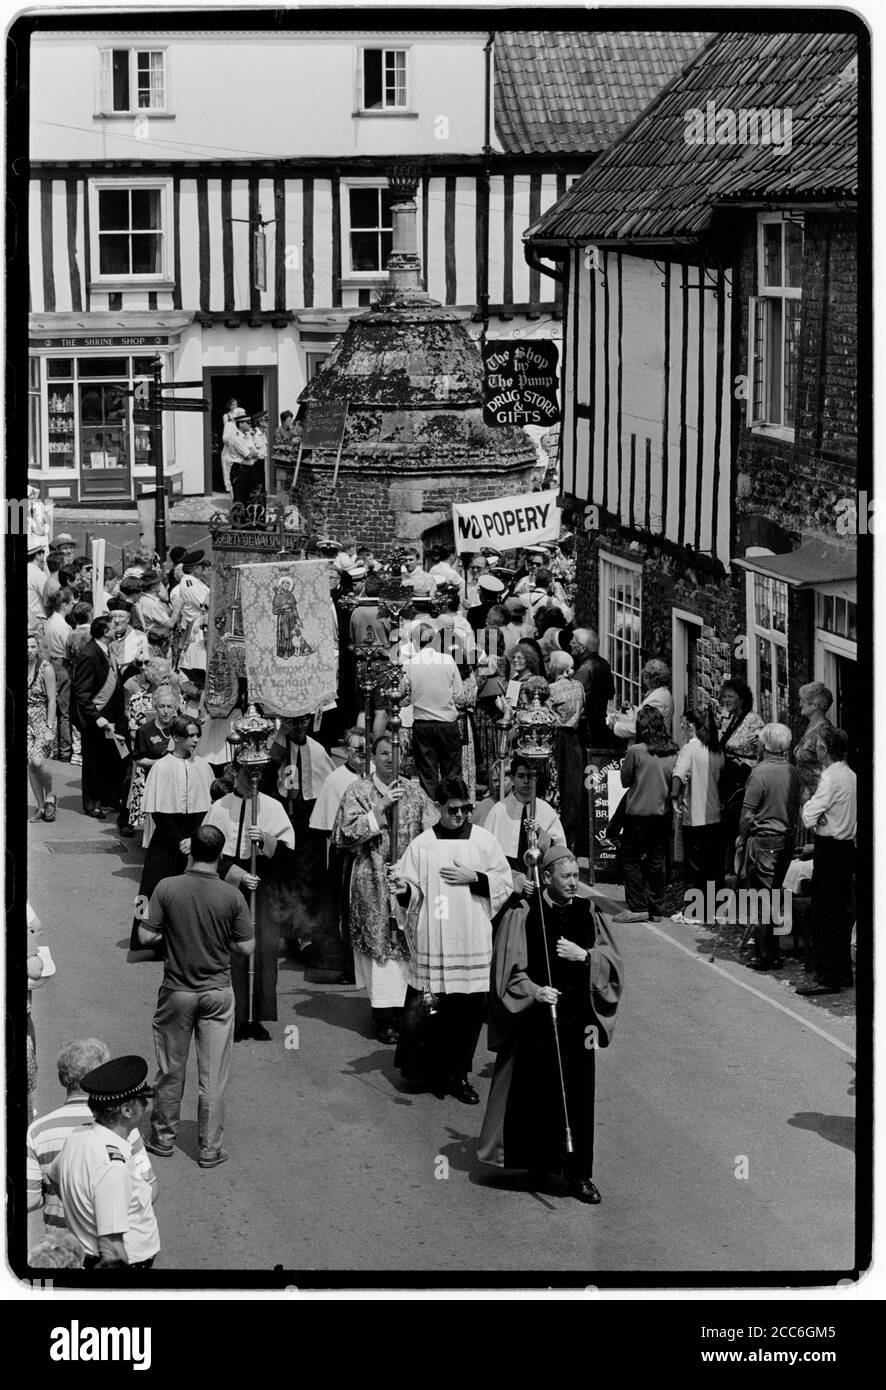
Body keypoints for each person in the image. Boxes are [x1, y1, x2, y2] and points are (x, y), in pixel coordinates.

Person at [478, 844, 624, 1203]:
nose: (575, 883)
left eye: (577, 876)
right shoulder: (525, 913)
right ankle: (538, 1165)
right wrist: (534, 990)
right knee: (536, 1092)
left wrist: (586, 955)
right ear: (546, 878)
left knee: (577, 1096)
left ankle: (578, 1176)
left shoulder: (589, 912)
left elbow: (614, 962)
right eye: (567, 877)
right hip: (537, 1017)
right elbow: (508, 972)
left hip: (578, 1020)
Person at [136, 825, 255, 1168]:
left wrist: (171, 935)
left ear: (191, 852)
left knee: (170, 1069)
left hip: (177, 992)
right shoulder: (231, 896)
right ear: (221, 855)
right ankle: (209, 1148)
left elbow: (145, 936)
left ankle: (162, 1138)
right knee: (212, 1076)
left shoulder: (167, 887)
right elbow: (247, 947)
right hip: (217, 992)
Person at [389, 776, 512, 1102]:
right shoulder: (422, 844)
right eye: (453, 810)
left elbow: (504, 883)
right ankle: (430, 1071)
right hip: (435, 938)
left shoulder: (484, 841)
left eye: (466, 810)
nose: (460, 816)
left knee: (467, 1013)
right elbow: (411, 889)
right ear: (439, 808)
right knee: (433, 1010)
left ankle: (459, 1075)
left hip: (471, 939)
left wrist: (476, 878)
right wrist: (404, 891)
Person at [332, 734, 438, 1042]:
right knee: (382, 949)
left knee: (407, 947)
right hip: (372, 879)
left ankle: (408, 1010)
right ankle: (384, 1016)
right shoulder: (359, 790)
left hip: (408, 882)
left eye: (396, 752)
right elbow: (344, 835)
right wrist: (378, 810)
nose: (390, 759)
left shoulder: (415, 792)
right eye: (383, 753)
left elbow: (432, 832)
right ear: (373, 757)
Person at [202, 758, 296, 1040]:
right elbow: (209, 857)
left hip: (263, 890)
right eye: (245, 772)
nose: (251, 779)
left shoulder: (273, 807)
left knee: (264, 951)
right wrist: (238, 875)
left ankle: (256, 1017)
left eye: (256, 773)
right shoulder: (219, 808)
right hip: (231, 890)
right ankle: (235, 1017)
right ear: (235, 772)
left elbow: (289, 857)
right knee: (233, 954)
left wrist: (267, 840)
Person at [27, 1039, 157, 1230]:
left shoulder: (38, 1129)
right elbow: (150, 1189)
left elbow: (31, 1198)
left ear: (62, 1078)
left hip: (61, 1243)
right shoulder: (123, 1126)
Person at [47, 1055, 160, 1269]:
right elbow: (112, 1249)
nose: (146, 1105)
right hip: (127, 1262)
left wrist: (84, 1218)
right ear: (126, 1110)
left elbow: (54, 1177)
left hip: (86, 1253)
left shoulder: (78, 1136)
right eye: (142, 1100)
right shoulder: (112, 1166)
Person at [131, 716, 214, 952]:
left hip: (195, 839)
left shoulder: (203, 766)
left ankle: (188, 941)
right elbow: (158, 812)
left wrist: (193, 840)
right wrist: (180, 840)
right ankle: (142, 938)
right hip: (167, 838)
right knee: (150, 888)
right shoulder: (161, 766)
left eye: (197, 735)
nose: (196, 740)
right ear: (176, 737)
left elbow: (207, 809)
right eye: (190, 735)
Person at [265, 714, 335, 959]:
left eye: (303, 722)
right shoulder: (278, 746)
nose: (299, 726)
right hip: (285, 813)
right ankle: (287, 932)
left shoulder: (316, 750)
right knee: (285, 875)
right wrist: (281, 737)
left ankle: (308, 932)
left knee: (309, 876)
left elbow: (328, 783)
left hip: (309, 818)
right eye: (293, 722)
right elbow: (267, 773)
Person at [797, 726, 856, 996]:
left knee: (824, 913)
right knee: (841, 911)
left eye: (820, 747)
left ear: (825, 750)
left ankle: (826, 975)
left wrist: (810, 806)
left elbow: (809, 816)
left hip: (830, 847)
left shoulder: (830, 779)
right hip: (846, 847)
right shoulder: (851, 776)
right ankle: (842, 971)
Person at [735, 723, 800, 971]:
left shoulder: (759, 772)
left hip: (764, 840)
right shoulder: (791, 771)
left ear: (764, 745)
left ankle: (767, 955)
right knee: (773, 895)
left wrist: (742, 837)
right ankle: (771, 950)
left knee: (761, 898)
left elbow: (747, 814)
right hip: (785, 838)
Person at [72, 614, 142, 826]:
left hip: (114, 717)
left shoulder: (107, 650)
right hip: (97, 720)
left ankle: (110, 798)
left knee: (113, 759)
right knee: (94, 762)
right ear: (105, 632)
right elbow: (81, 693)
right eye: (113, 626)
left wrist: (135, 665)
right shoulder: (89, 654)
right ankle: (92, 803)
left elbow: (116, 681)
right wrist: (97, 718)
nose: (116, 628)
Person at [613, 705, 677, 923]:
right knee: (656, 861)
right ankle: (657, 909)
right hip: (662, 814)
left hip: (637, 813)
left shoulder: (636, 751)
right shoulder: (673, 752)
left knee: (629, 858)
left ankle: (637, 906)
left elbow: (625, 780)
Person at [481, 754, 567, 895]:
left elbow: (559, 852)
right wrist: (516, 880)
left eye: (530, 776)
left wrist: (540, 833)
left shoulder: (546, 810)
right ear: (513, 779)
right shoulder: (499, 810)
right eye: (521, 776)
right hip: (508, 882)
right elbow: (489, 854)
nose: (526, 781)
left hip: (540, 881)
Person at [671, 706, 725, 908]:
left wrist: (674, 799)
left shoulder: (690, 748)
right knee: (713, 865)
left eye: (684, 724)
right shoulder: (716, 749)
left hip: (694, 814)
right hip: (714, 814)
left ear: (691, 725)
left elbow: (679, 775)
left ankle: (696, 907)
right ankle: (715, 905)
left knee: (695, 865)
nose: (683, 727)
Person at [403, 622, 464, 798]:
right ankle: (453, 806)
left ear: (415, 641)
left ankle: (430, 812)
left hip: (423, 724)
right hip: (447, 723)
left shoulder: (410, 664)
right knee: (452, 772)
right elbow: (459, 695)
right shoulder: (448, 660)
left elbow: (403, 697)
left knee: (427, 775)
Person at [716, 676, 764, 870]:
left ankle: (739, 870)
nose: (725, 700)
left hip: (743, 781)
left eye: (730, 696)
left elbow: (761, 750)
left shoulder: (753, 720)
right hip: (730, 781)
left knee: (739, 825)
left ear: (741, 698)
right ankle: (729, 870)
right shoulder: (730, 719)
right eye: (724, 697)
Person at [126, 685, 179, 835]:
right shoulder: (145, 730)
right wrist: (160, 764)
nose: (166, 711)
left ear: (176, 707)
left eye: (170, 706)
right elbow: (138, 759)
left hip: (177, 782)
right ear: (155, 706)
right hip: (155, 782)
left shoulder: (181, 727)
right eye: (162, 706)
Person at [547, 649, 585, 848]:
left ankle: (555, 838)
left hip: (557, 740)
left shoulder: (551, 689)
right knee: (572, 791)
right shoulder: (578, 686)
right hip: (575, 741)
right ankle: (570, 841)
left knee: (556, 788)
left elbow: (545, 715)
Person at [27, 630, 58, 822]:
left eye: (32, 646)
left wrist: (49, 727)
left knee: (38, 762)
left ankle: (51, 794)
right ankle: (40, 806)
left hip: (41, 719)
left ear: (39, 647)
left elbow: (52, 700)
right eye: (26, 647)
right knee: (30, 765)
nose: (29, 650)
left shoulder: (45, 668)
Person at [43, 587, 76, 762]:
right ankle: (65, 750)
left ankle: (54, 748)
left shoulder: (49, 622)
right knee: (64, 711)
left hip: (50, 663)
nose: (72, 607)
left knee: (53, 706)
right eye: (71, 603)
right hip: (62, 665)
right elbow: (69, 649)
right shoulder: (63, 626)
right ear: (64, 605)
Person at [569, 628, 615, 748]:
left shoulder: (584, 670)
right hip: (599, 724)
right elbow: (611, 693)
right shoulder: (604, 663)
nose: (570, 644)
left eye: (574, 643)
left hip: (584, 727)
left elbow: (572, 699)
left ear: (583, 647)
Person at [610, 658, 674, 741]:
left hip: (652, 746)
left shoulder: (657, 699)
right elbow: (646, 717)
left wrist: (616, 725)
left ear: (648, 678)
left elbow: (641, 728)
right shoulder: (660, 694)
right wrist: (633, 709)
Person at [793, 681, 835, 806]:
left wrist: (822, 807)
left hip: (819, 804)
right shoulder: (811, 727)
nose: (800, 704)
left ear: (814, 706)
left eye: (803, 701)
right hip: (806, 800)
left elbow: (832, 773)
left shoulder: (825, 733)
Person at [27, 538, 49, 624]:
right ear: (37, 555)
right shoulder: (38, 573)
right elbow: (47, 598)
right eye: (43, 552)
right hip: (38, 619)